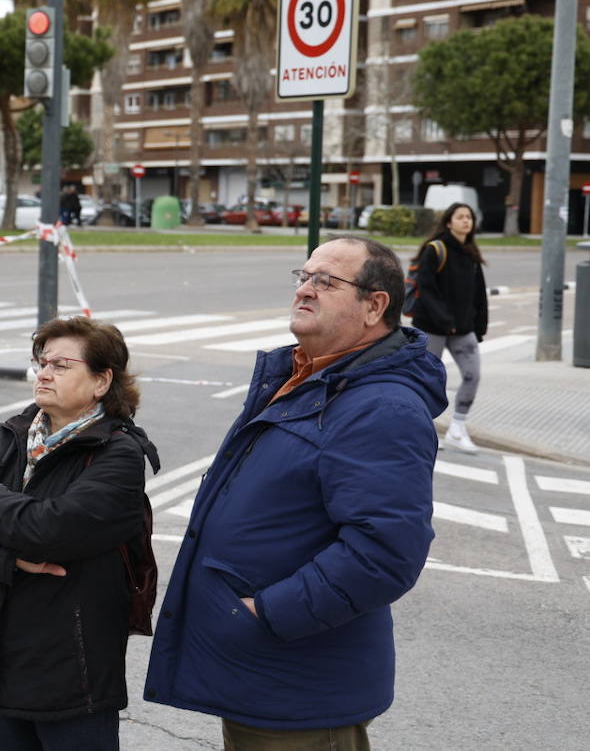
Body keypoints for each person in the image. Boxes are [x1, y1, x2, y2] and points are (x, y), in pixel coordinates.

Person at [144, 237, 447, 750]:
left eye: (326, 282)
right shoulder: (308, 377)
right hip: (268, 677)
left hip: (299, 689)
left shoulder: (381, 407)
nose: (305, 290)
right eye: (303, 277)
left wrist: (267, 613)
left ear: (375, 306)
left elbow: (385, 553)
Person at [0, 316, 158, 750]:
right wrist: (8, 558)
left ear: (100, 381)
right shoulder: (15, 433)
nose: (44, 373)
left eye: (61, 364)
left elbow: (51, 529)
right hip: (1, 659)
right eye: (42, 362)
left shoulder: (117, 453)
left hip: (73, 671)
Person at [410, 203, 488, 454]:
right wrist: (446, 321)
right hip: (432, 326)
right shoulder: (436, 249)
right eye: (461, 217)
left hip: (462, 329)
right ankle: (424, 428)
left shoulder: (470, 252)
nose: (466, 221)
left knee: (472, 375)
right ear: (448, 222)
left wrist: (479, 325)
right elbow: (427, 288)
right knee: (428, 380)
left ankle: (457, 428)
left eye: (469, 217)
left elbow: (479, 293)